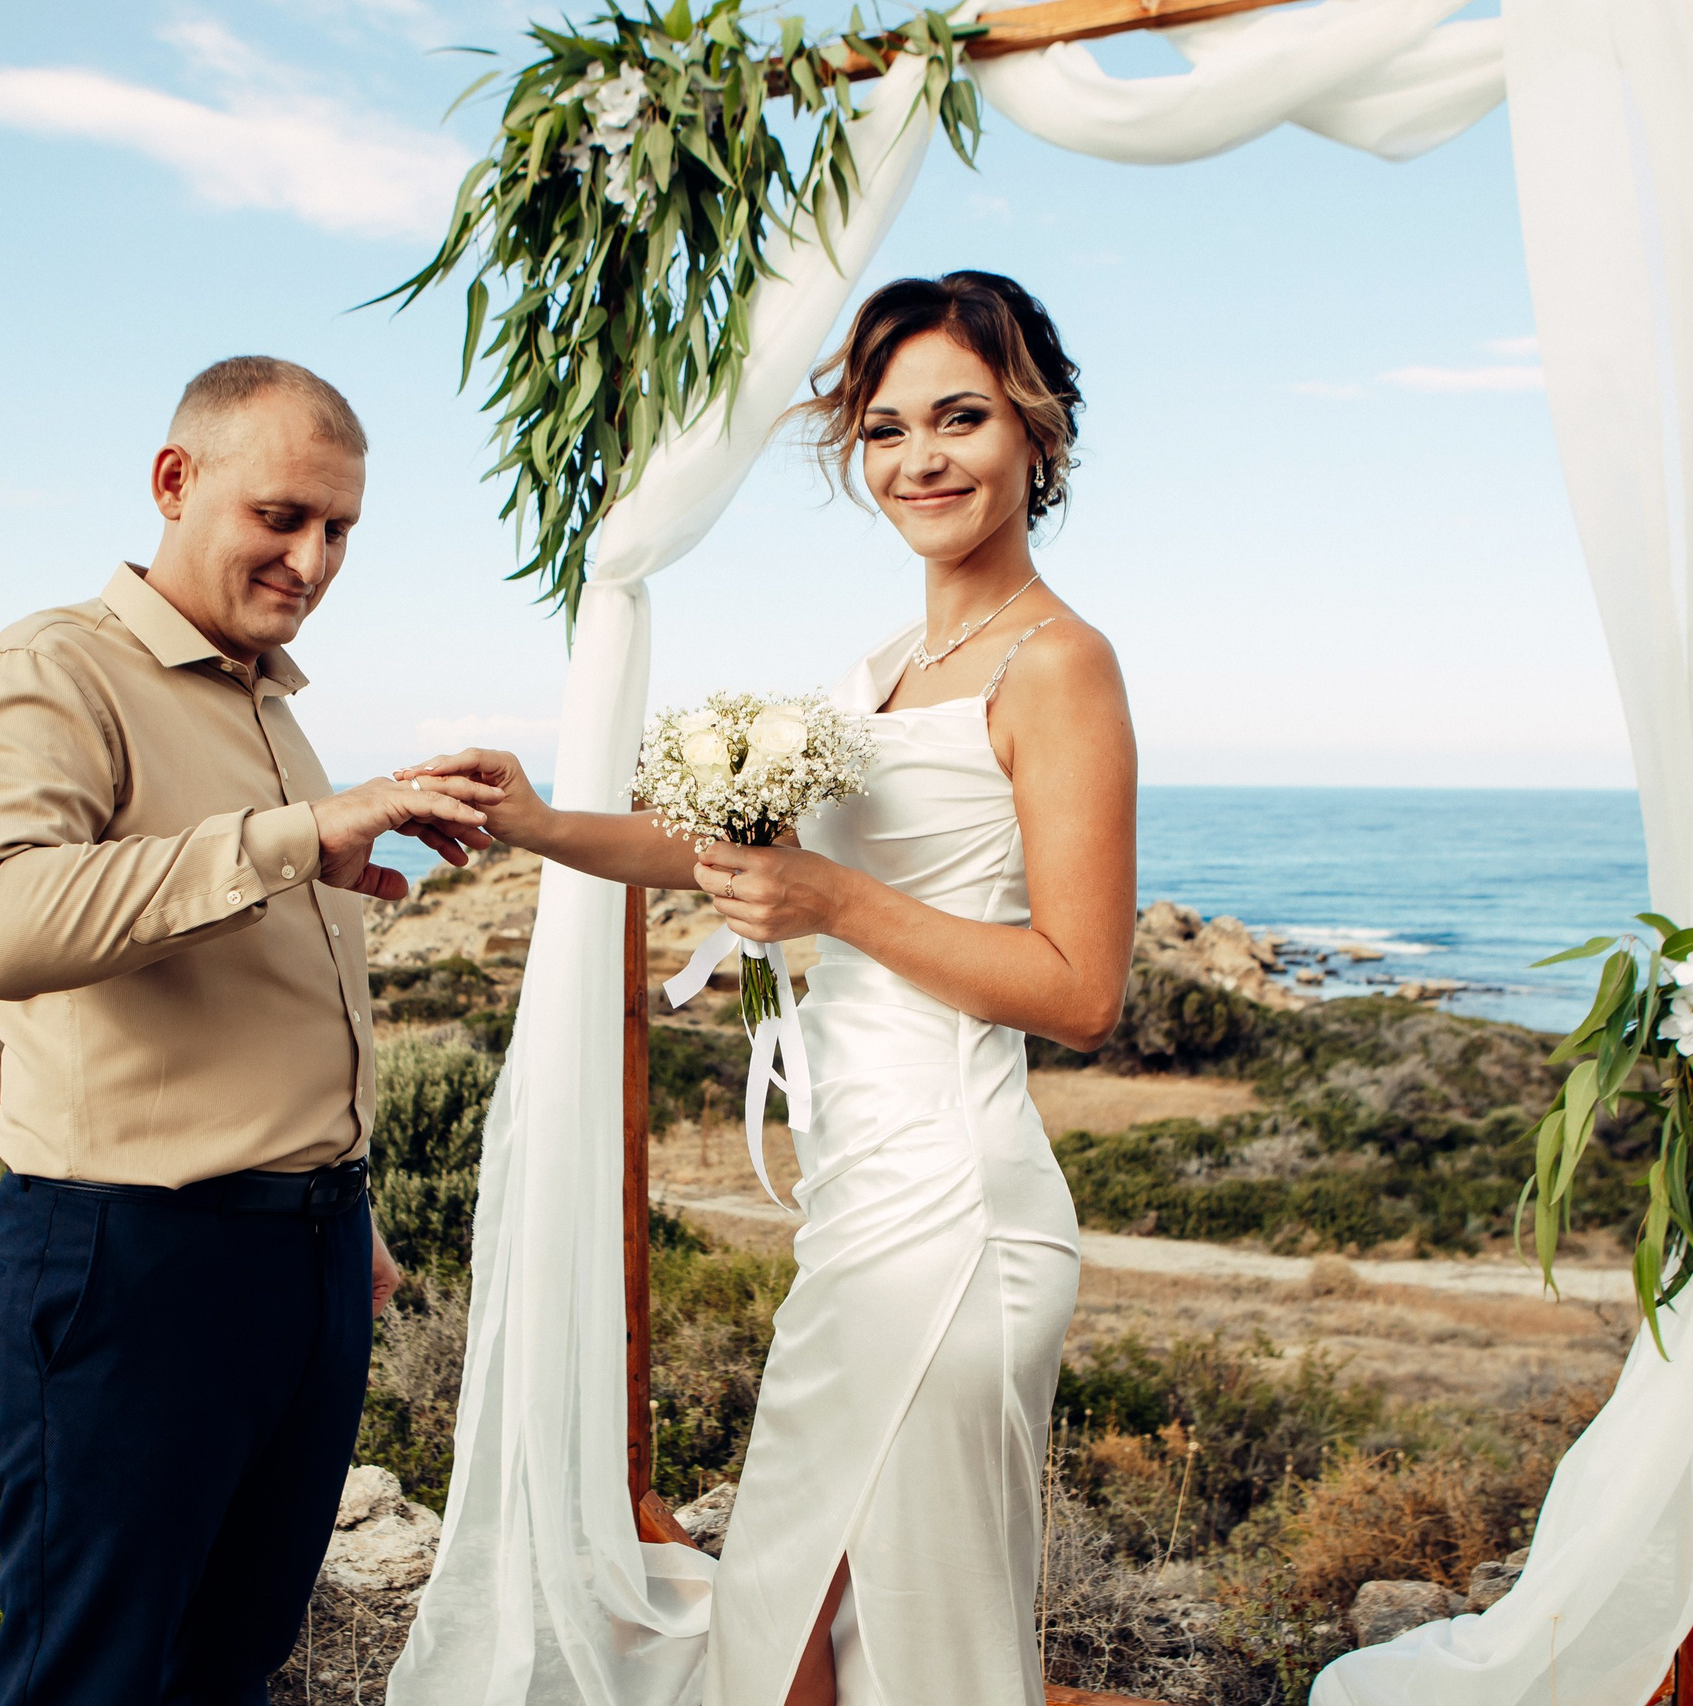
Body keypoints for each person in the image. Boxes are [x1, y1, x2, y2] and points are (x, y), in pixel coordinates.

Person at [404, 272, 1136, 1706]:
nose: (920, 458)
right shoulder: (880, 672)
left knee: (908, 1642)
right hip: (858, 1208)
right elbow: (725, 853)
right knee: (784, 1628)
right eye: (884, 429)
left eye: (962, 418)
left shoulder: (1064, 666)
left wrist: (835, 902)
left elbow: (1081, 988)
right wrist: (544, 818)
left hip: (957, 1216)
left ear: (1036, 433)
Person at [0, 356, 501, 1706]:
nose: (312, 558)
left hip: (300, 1259)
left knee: (228, 1667)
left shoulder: (270, 705)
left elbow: (235, 955)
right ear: (175, 483)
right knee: (92, 1675)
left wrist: (336, 1200)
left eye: (340, 529)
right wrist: (300, 837)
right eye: (282, 516)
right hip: (132, 1260)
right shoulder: (54, 665)